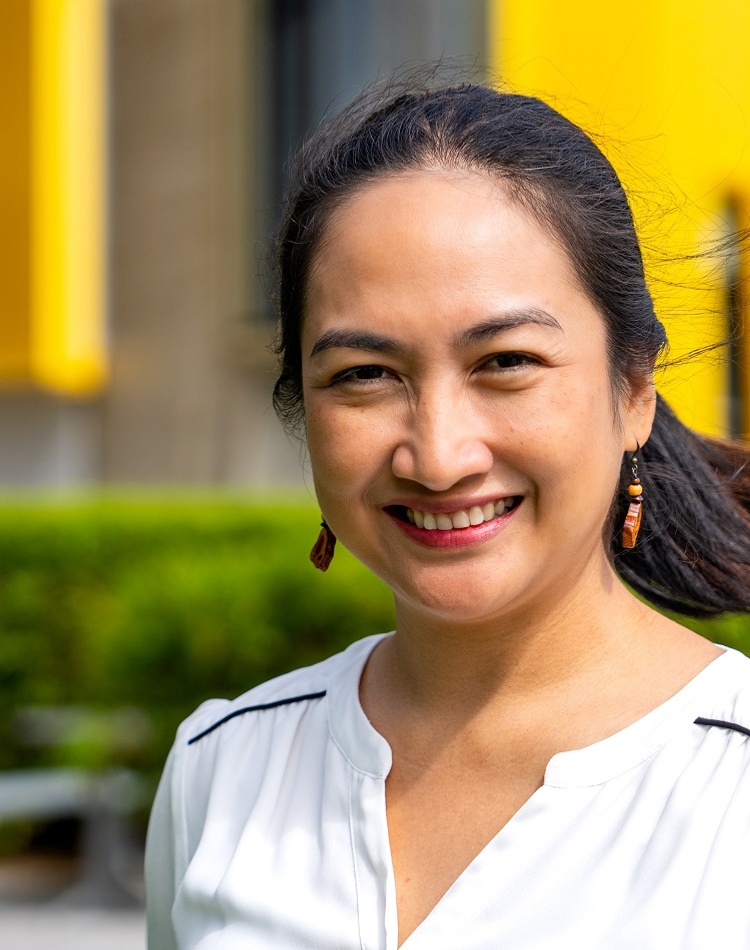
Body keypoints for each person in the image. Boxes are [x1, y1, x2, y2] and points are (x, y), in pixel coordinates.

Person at [145, 80, 750, 949]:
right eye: (364, 375)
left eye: (505, 360)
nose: (437, 454)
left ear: (633, 390)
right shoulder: (224, 767)